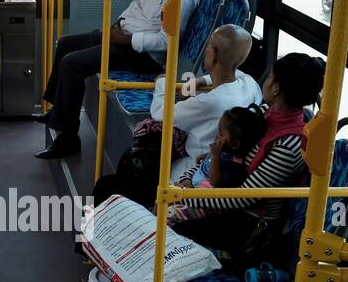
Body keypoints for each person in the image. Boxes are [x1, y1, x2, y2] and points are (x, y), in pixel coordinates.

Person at [35, 0, 202, 159]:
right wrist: (118, 23)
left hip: (144, 55)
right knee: (66, 44)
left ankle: (68, 138)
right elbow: (138, 4)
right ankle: (57, 111)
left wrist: (123, 39)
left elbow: (167, 42)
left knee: (72, 64)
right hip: (124, 36)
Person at [168, 53, 326, 269]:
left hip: (249, 223)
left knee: (169, 235)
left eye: (270, 77)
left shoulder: (290, 145)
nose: (266, 82)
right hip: (220, 200)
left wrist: (188, 197)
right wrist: (186, 180)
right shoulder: (262, 114)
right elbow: (218, 151)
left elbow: (244, 197)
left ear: (276, 88)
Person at [90, 24, 260, 207]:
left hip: (191, 170)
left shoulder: (212, 101)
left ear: (215, 54)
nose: (206, 50)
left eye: (209, 45)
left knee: (106, 186)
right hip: (214, 165)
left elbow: (160, 113)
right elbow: (235, 73)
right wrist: (200, 80)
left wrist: (162, 81)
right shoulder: (250, 85)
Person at [191, 105, 264, 190]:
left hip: (204, 193)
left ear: (235, 144)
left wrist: (215, 157)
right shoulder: (223, 150)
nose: (216, 136)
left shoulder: (233, 165)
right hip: (196, 181)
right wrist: (207, 155)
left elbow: (214, 182)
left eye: (221, 134)